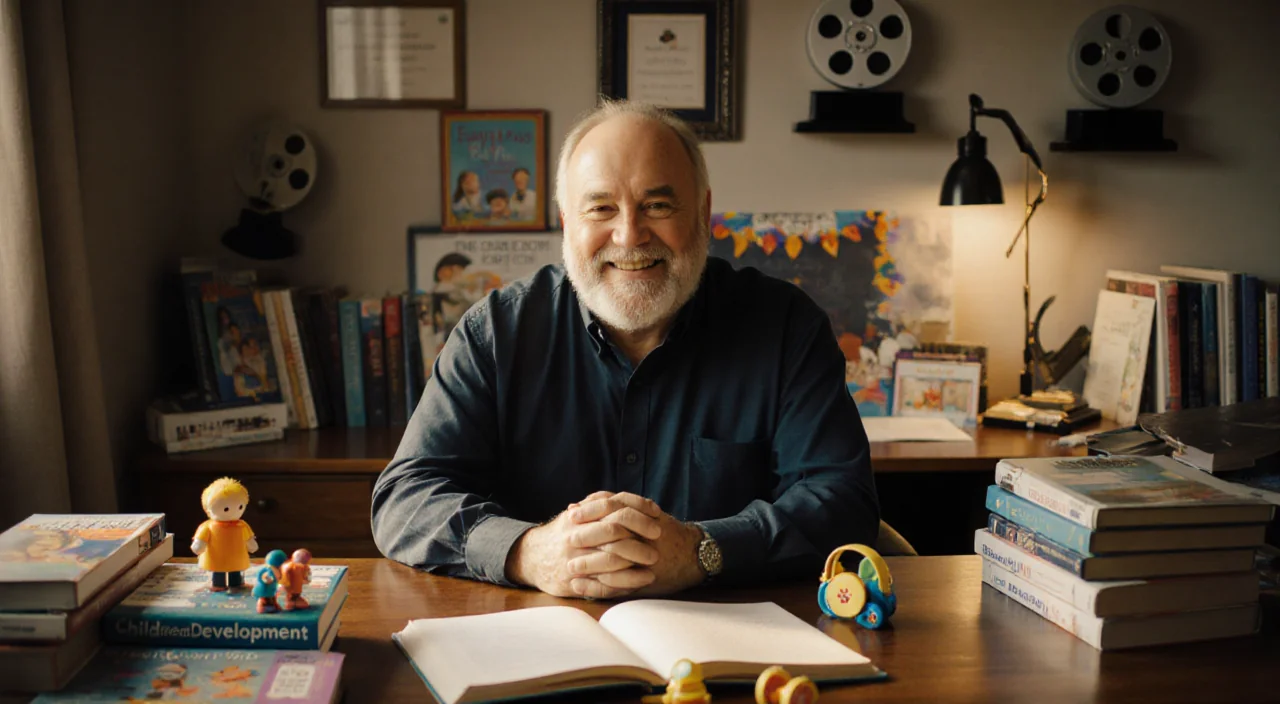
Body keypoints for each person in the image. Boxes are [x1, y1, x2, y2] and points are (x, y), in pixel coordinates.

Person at [372, 99, 878, 600]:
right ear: (567, 221)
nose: (629, 235)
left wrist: (703, 550)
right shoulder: (497, 333)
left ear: (703, 212)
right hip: (538, 633)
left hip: (733, 636)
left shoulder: (786, 328)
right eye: (601, 208)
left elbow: (843, 502)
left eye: (657, 206)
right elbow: (405, 499)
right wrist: (527, 552)